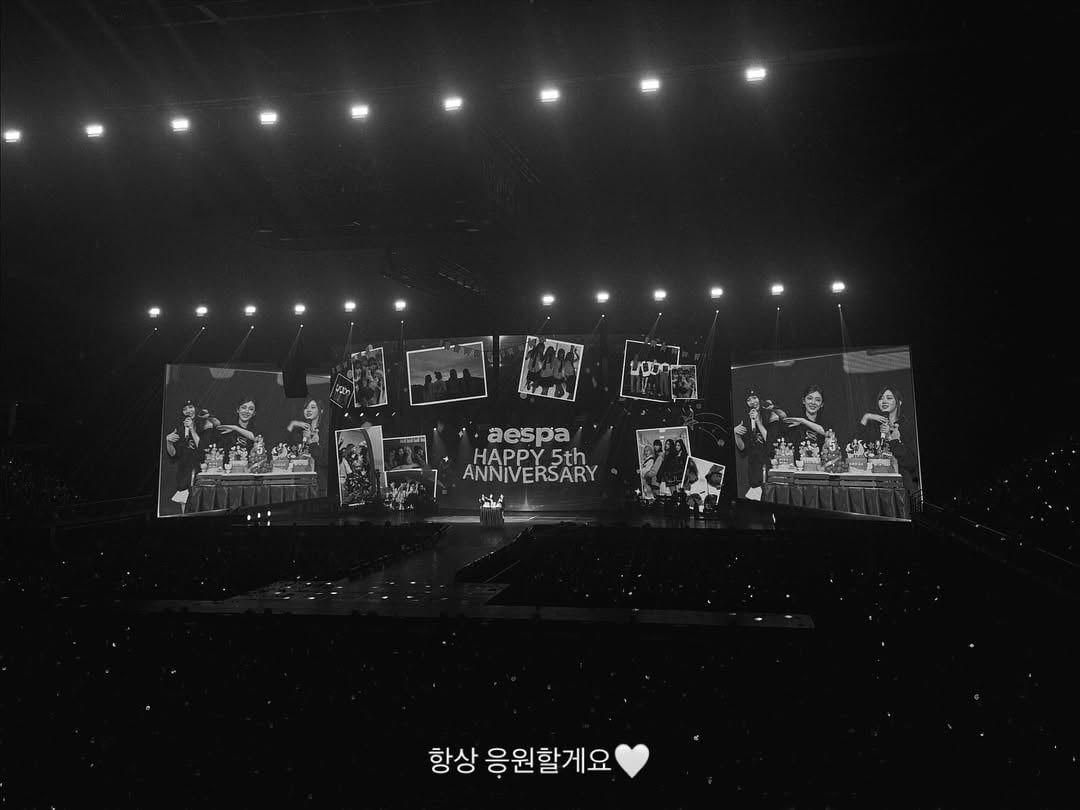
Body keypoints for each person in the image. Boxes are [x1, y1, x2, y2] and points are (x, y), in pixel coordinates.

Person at [856, 385, 920, 498]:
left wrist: (892, 439)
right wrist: (866, 417)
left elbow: (911, 462)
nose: (884, 401)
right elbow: (856, 445)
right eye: (881, 398)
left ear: (899, 402)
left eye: (889, 398)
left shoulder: (907, 426)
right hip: (876, 484)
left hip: (901, 487)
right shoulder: (874, 425)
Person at [734, 388, 773, 500]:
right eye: (748, 400)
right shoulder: (744, 420)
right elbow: (743, 449)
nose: (752, 402)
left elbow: (771, 441)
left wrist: (758, 422)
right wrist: (736, 434)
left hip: (769, 463)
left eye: (755, 398)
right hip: (754, 467)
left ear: (759, 399)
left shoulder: (770, 415)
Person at [164, 400, 203, 512]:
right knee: (185, 508)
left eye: (190, 407)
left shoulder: (204, 425)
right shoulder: (179, 427)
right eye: (184, 409)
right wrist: (168, 442)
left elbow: (203, 449)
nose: (188, 411)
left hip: (201, 471)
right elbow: (174, 455)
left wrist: (192, 430)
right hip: (184, 473)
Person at [286, 398, 326, 496]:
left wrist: (312, 442)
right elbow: (285, 444)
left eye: (313, 407)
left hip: (318, 482)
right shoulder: (301, 430)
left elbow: (323, 460)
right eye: (306, 408)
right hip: (301, 480)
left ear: (321, 410)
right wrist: (293, 423)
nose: (308, 410)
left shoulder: (324, 430)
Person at [781, 384, 829, 460]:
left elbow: (827, 434)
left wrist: (803, 421)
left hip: (819, 465)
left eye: (817, 400)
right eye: (809, 398)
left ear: (822, 404)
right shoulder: (795, 424)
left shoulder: (825, 423)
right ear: (803, 401)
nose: (813, 402)